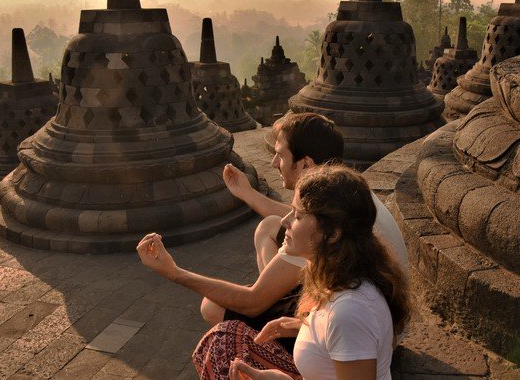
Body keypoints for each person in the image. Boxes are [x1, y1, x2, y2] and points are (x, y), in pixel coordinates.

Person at [137, 113, 409, 348]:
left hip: (356, 340)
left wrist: (174, 273)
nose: (273, 163)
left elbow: (252, 302)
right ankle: (275, 289)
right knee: (268, 227)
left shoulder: (317, 232)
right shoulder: (345, 191)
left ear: (305, 164)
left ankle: (273, 297)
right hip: (381, 325)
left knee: (211, 305)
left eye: (280, 155)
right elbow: (289, 217)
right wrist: (246, 193)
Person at [194, 165, 411, 380]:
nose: (285, 221)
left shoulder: (349, 310)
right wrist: (305, 328)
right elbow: (379, 341)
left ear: (332, 235)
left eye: (297, 216)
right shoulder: (349, 275)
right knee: (225, 338)